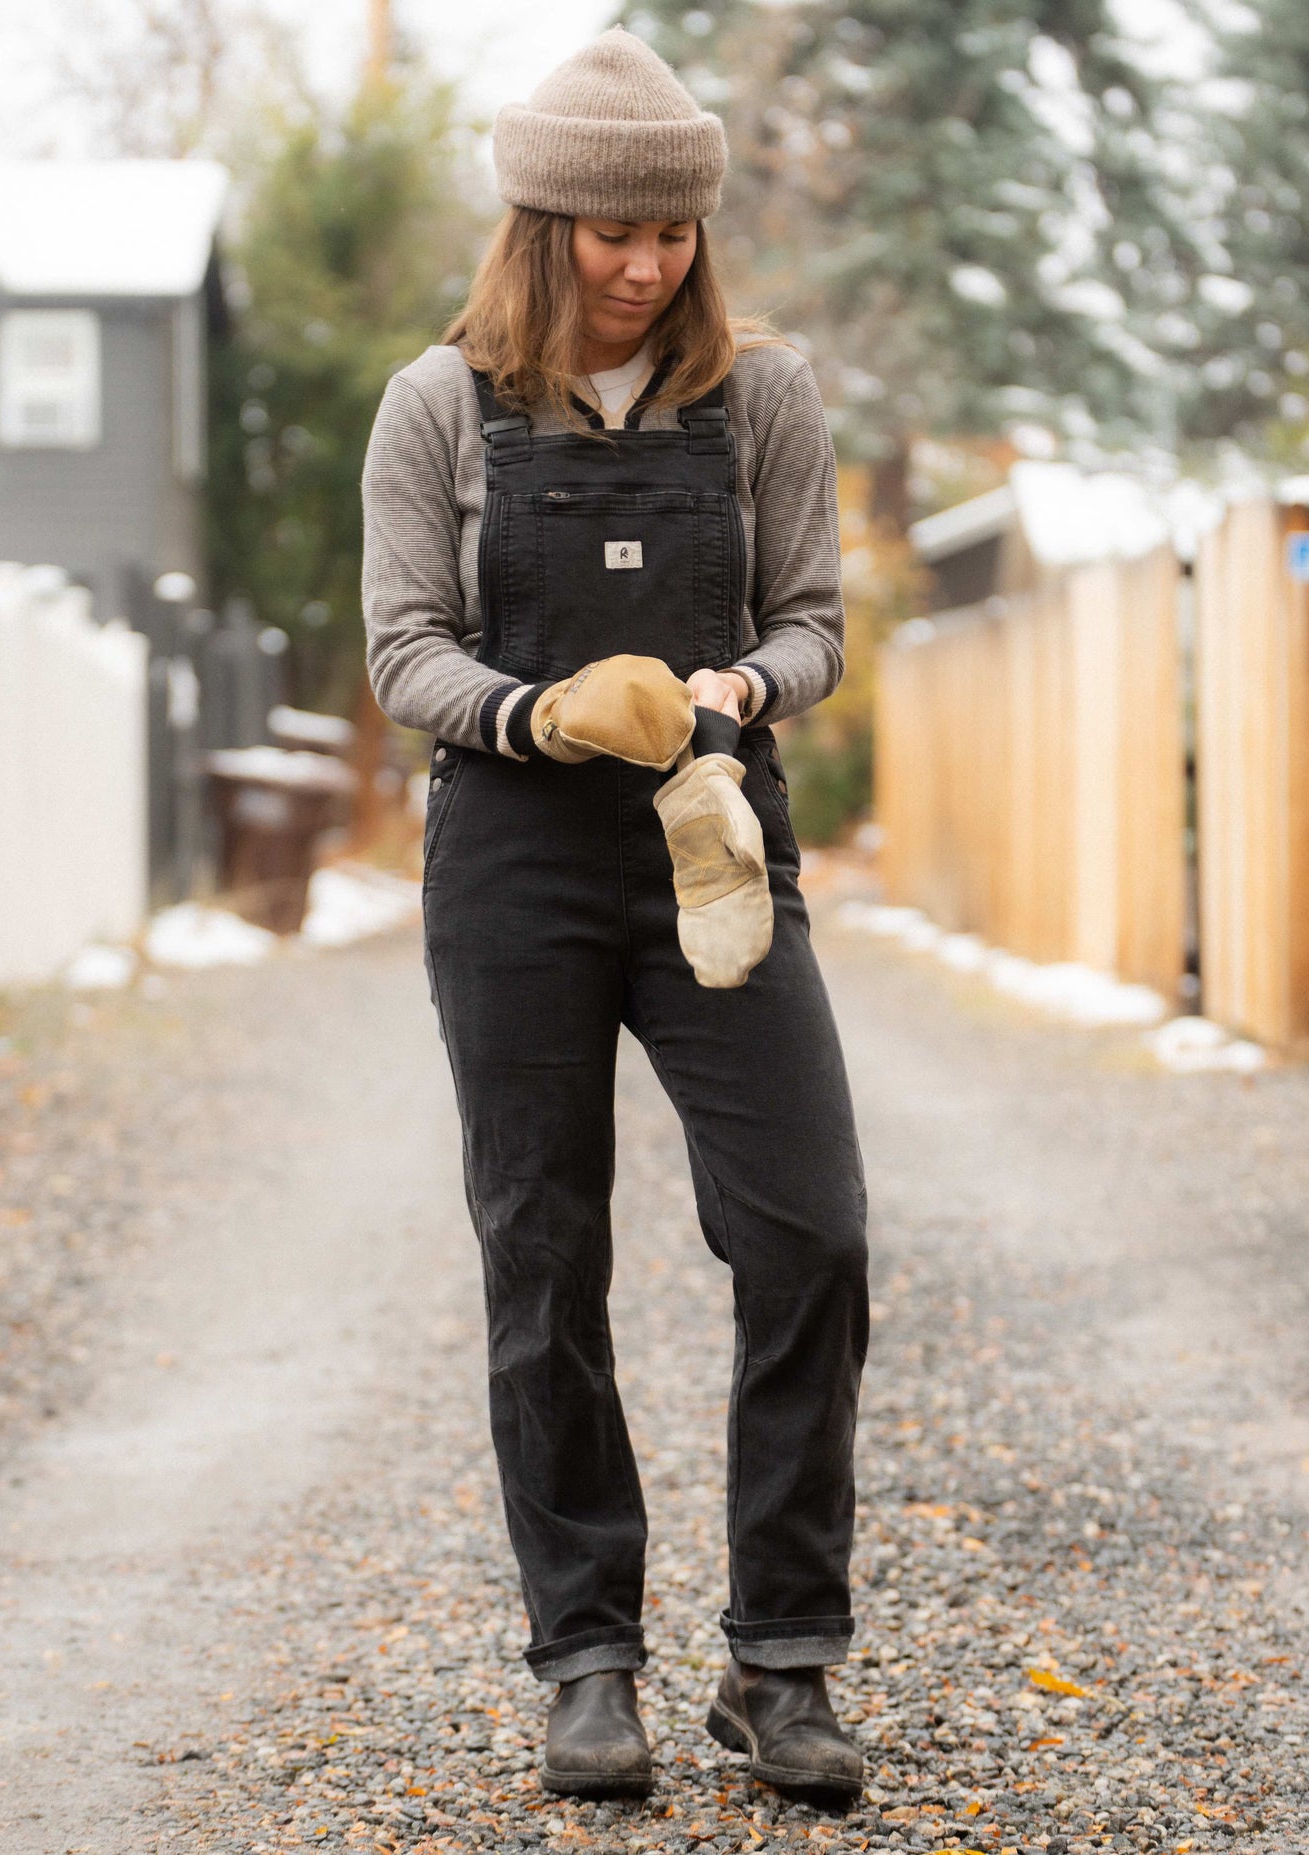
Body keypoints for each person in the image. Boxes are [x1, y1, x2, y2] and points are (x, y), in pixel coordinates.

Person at [361, 25, 870, 1804]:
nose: (646, 267)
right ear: (540, 223)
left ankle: (782, 1661)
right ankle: (588, 1659)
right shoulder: (440, 407)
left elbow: (814, 615)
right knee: (545, 1253)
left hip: (712, 838)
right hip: (513, 859)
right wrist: (538, 708)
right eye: (610, 236)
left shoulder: (767, 397)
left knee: (809, 1232)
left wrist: (732, 689)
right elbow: (403, 649)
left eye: (672, 238)